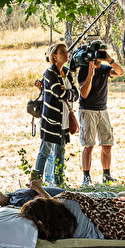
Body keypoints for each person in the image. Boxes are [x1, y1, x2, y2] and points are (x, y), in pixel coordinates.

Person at [75, 45, 125, 186]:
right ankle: (86, 177)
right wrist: (90, 73)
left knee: (107, 144)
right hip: (87, 110)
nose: (99, 59)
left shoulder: (105, 69)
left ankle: (106, 174)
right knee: (88, 145)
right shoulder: (83, 70)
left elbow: (120, 72)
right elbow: (84, 93)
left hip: (103, 110)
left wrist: (110, 60)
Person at [33, 42, 78, 187]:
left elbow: (76, 95)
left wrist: (68, 92)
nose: (66, 54)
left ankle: (58, 183)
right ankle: (35, 182)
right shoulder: (49, 73)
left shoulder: (67, 72)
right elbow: (60, 93)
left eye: (66, 52)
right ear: (54, 56)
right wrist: (67, 92)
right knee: (45, 151)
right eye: (62, 52)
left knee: (60, 152)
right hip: (51, 120)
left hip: (64, 119)